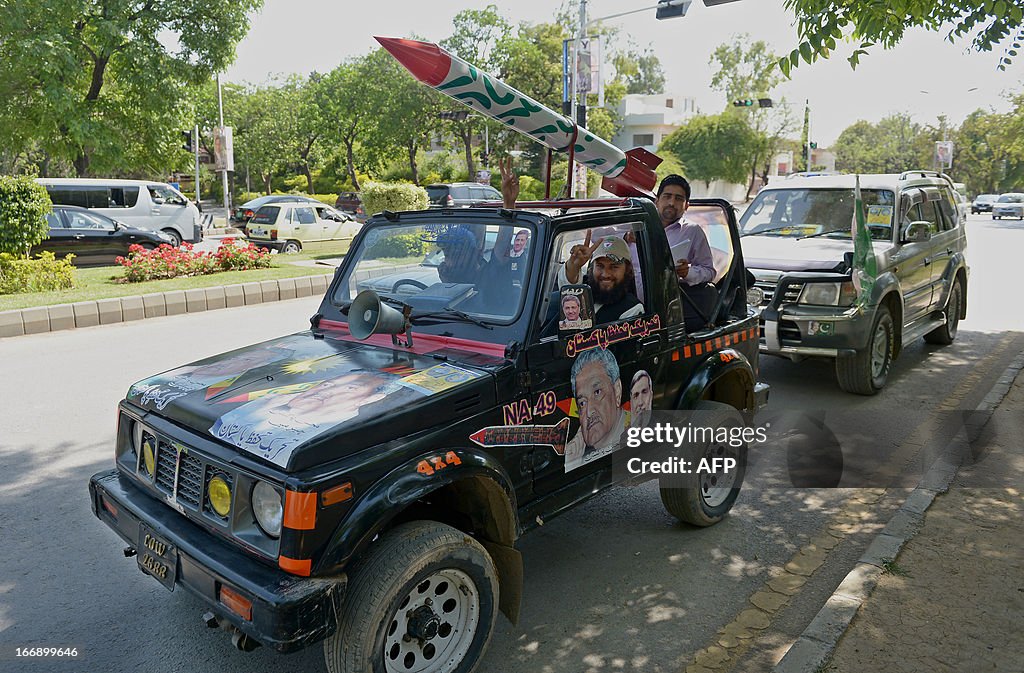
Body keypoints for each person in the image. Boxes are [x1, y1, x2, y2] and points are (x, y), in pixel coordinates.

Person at [564, 348, 629, 471]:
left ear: (617, 391)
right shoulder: (575, 455)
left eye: (597, 392)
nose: (589, 412)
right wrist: (572, 463)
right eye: (582, 403)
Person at [557, 233, 643, 323]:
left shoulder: (632, 309)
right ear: (592, 267)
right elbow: (568, 285)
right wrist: (574, 266)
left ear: (627, 270)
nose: (605, 274)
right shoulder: (584, 287)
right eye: (600, 266)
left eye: (614, 267)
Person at [655, 174, 716, 286]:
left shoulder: (692, 231)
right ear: (657, 201)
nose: (671, 203)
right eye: (667, 196)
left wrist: (688, 272)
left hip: (665, 299)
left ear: (686, 206)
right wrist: (627, 237)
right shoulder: (637, 225)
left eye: (678, 199)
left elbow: (709, 272)